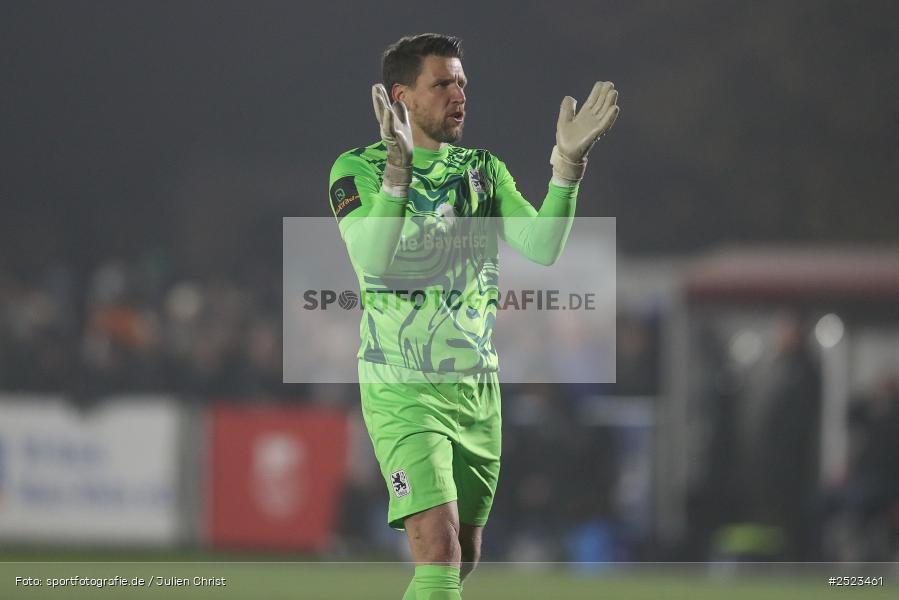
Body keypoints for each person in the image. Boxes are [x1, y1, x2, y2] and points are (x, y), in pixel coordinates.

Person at [327, 33, 619, 599]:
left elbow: (541, 245)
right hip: (402, 388)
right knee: (438, 551)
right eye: (443, 83)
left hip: (477, 389)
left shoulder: (483, 170)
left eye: (462, 82)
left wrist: (566, 168)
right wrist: (396, 175)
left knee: (462, 557)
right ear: (402, 96)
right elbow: (372, 257)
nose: (459, 93)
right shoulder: (356, 168)